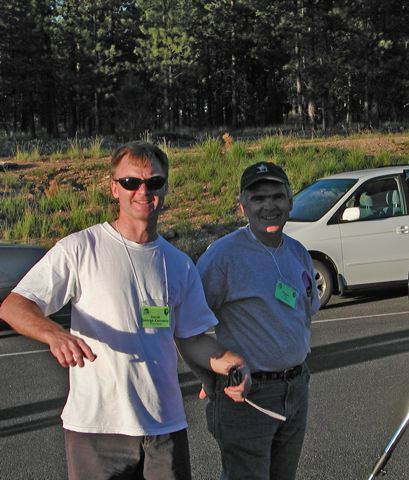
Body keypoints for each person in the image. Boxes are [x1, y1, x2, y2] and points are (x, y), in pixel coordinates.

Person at [0, 141, 247, 480]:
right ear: (114, 188)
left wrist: (230, 362)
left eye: (154, 182)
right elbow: (14, 306)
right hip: (96, 430)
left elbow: (192, 339)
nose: (143, 191)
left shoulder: (179, 265)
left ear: (165, 188)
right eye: (131, 182)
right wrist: (54, 335)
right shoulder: (81, 248)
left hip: (164, 427)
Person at [196, 161, 320, 480]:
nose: (269, 206)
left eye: (277, 197)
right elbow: (188, 324)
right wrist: (208, 372)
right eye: (258, 198)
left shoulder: (297, 253)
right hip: (249, 394)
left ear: (290, 202)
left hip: (296, 387)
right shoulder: (222, 257)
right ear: (243, 206)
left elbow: (305, 313)